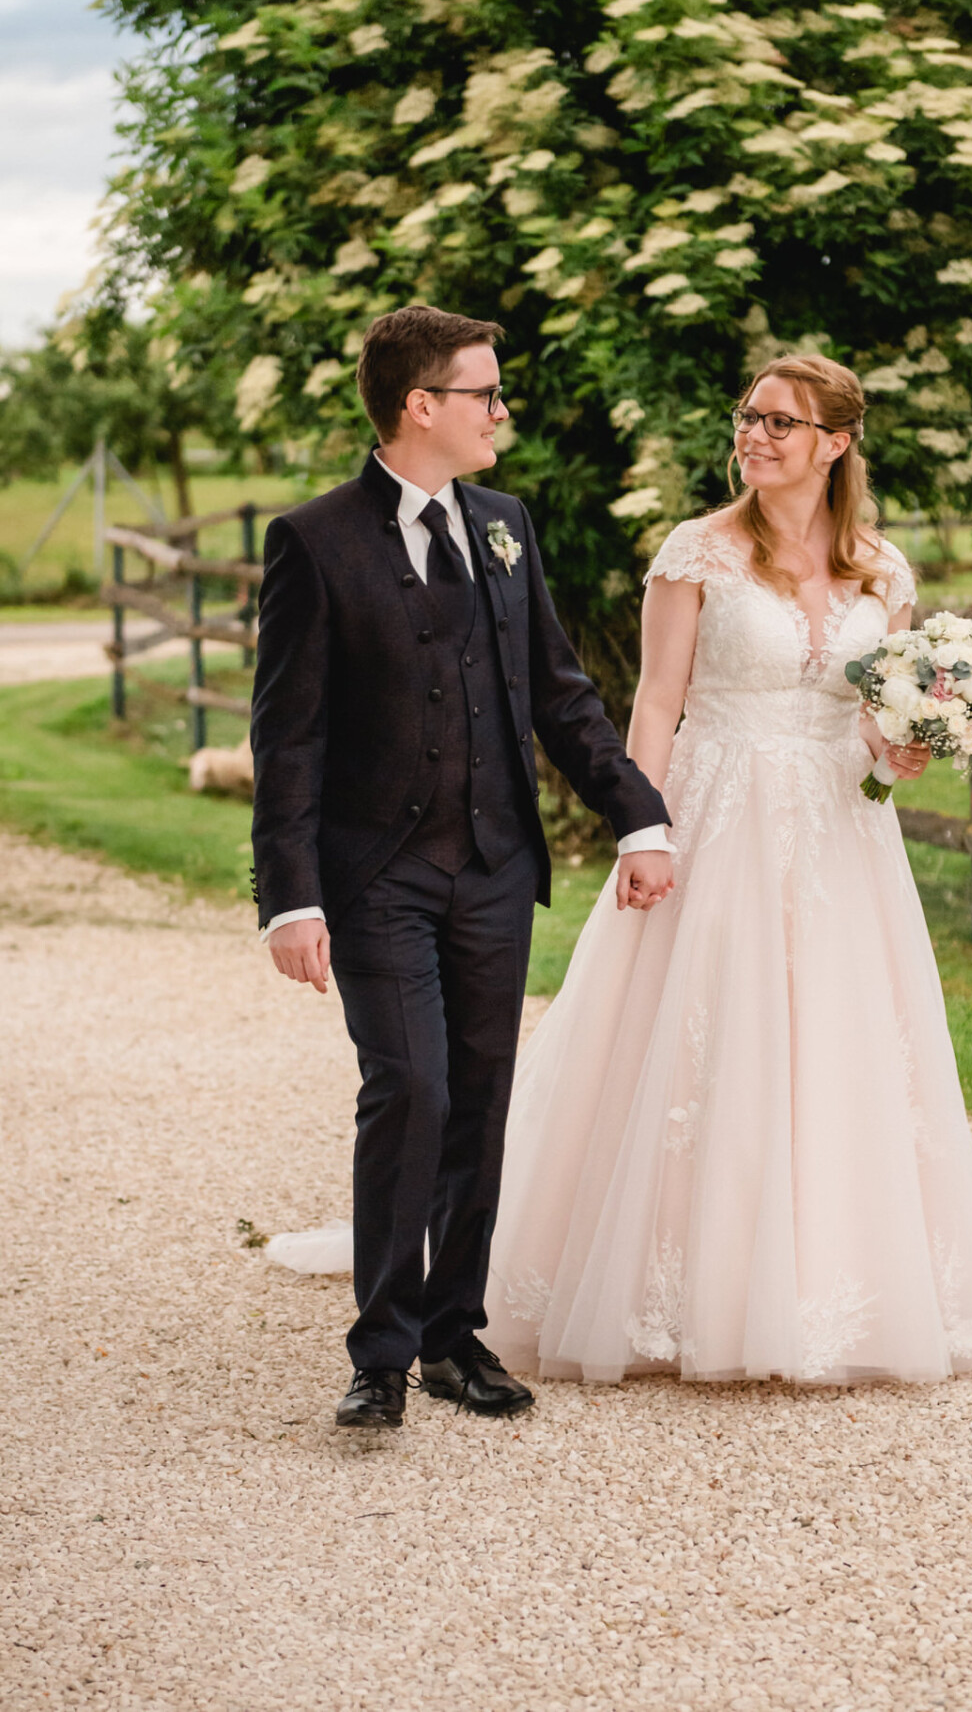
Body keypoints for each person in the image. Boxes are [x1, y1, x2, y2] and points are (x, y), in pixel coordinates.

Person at [482, 353, 972, 1385]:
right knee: (706, 1038)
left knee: (837, 1040)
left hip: (838, 832)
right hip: (718, 812)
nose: (757, 436)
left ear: (836, 443)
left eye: (783, 423)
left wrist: (902, 743)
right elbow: (654, 703)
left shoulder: (884, 570)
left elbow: (872, 712)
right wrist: (641, 829)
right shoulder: (698, 553)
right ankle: (674, 1293)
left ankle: (828, 1292)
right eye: (749, 418)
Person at [251, 306, 672, 1428]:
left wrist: (640, 816)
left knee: (480, 1099)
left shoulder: (504, 526)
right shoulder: (314, 540)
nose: (502, 411)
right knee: (413, 1087)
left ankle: (453, 1338)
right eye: (484, 393)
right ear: (419, 405)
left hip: (492, 866)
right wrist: (290, 896)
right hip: (376, 874)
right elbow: (285, 739)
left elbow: (561, 695)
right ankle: (379, 1352)